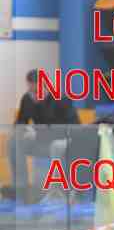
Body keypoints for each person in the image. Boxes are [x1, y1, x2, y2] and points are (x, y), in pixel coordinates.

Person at [7, 69, 79, 202]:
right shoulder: (27, 99)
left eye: (36, 91)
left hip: (60, 141)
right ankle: (21, 187)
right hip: (39, 142)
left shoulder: (61, 99)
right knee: (14, 142)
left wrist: (36, 132)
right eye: (31, 91)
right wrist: (22, 130)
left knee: (56, 146)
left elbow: (74, 127)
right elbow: (21, 121)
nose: (33, 95)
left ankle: (58, 190)